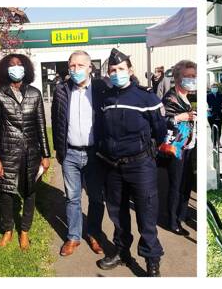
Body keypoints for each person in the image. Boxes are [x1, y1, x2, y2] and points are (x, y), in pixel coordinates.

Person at [95, 49, 166, 277]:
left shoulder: (146, 97)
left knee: (146, 214)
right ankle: (122, 251)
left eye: (121, 69)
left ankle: (151, 259)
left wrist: (148, 152)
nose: (117, 74)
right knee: (117, 213)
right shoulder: (106, 98)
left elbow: (160, 130)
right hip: (113, 166)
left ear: (130, 71)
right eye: (113, 70)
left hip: (140, 165)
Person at [0, 54, 51, 250]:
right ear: (5, 70)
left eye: (19, 64)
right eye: (11, 65)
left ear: (26, 68)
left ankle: (24, 231)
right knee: (6, 193)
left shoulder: (34, 93)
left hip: (31, 152)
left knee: (29, 192)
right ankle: (8, 229)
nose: (16, 67)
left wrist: (46, 154)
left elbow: (41, 125)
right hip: (7, 151)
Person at [51, 50, 107, 257]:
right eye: (72, 66)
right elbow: (56, 121)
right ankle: (73, 236)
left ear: (90, 68)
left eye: (80, 65)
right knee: (72, 198)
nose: (76, 70)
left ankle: (93, 233)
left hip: (95, 155)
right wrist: (59, 149)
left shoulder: (102, 88)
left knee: (95, 198)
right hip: (71, 154)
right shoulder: (62, 90)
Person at [161, 60, 197, 236]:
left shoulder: (187, 96)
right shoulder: (170, 97)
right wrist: (179, 117)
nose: (192, 79)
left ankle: (182, 214)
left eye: (193, 76)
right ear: (177, 77)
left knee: (186, 182)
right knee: (176, 185)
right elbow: (161, 121)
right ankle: (173, 220)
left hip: (188, 146)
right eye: (187, 76)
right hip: (176, 148)